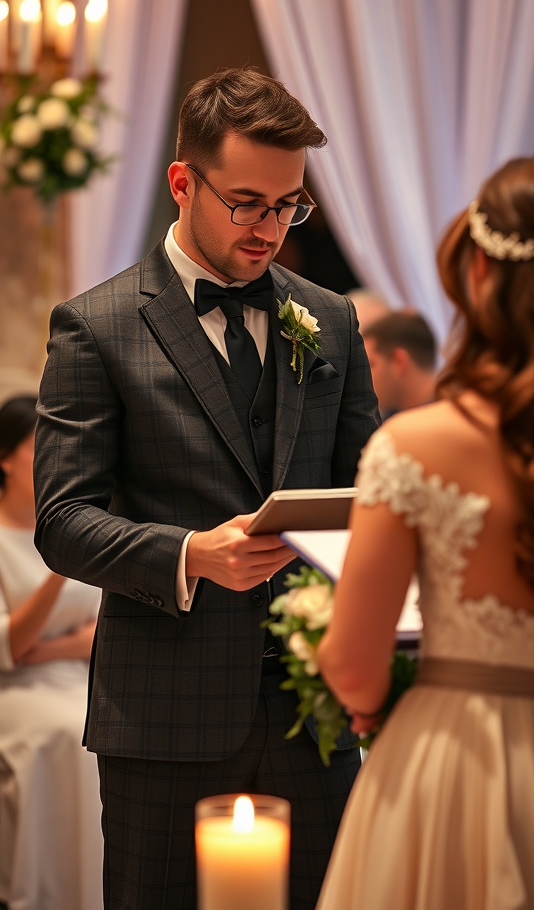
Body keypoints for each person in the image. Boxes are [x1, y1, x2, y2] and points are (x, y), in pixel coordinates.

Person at [33, 68, 380, 910]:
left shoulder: (327, 317)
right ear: (183, 183)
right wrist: (190, 554)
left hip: (315, 715)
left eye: (290, 204)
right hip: (163, 718)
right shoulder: (98, 325)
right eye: (248, 202)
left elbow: (373, 492)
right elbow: (62, 519)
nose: (270, 228)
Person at [315, 153, 534, 910]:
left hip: (461, 770)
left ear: (483, 275)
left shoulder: (416, 446)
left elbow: (356, 665)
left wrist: (369, 696)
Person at [0, 395, 102, 910]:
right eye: (38, 444)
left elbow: (99, 626)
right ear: (5, 457)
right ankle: (46, 895)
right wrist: (59, 568)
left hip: (86, 672)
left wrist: (55, 647)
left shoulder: (79, 521)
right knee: (66, 731)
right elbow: (10, 647)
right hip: (14, 689)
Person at [362, 310, 437, 417]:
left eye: (370, 365)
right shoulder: (388, 418)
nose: (360, 377)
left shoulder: (453, 420)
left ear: (398, 361)